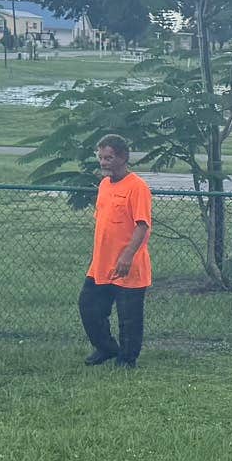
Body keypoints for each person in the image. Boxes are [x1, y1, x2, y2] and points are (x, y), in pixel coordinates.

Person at [79, 134, 152, 368]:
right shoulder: (103, 185)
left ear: (122, 157)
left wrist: (127, 256)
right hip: (101, 263)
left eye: (108, 158)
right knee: (88, 306)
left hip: (128, 264)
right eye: (100, 157)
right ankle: (106, 348)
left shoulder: (137, 187)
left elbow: (143, 226)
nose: (103, 162)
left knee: (129, 318)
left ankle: (127, 359)